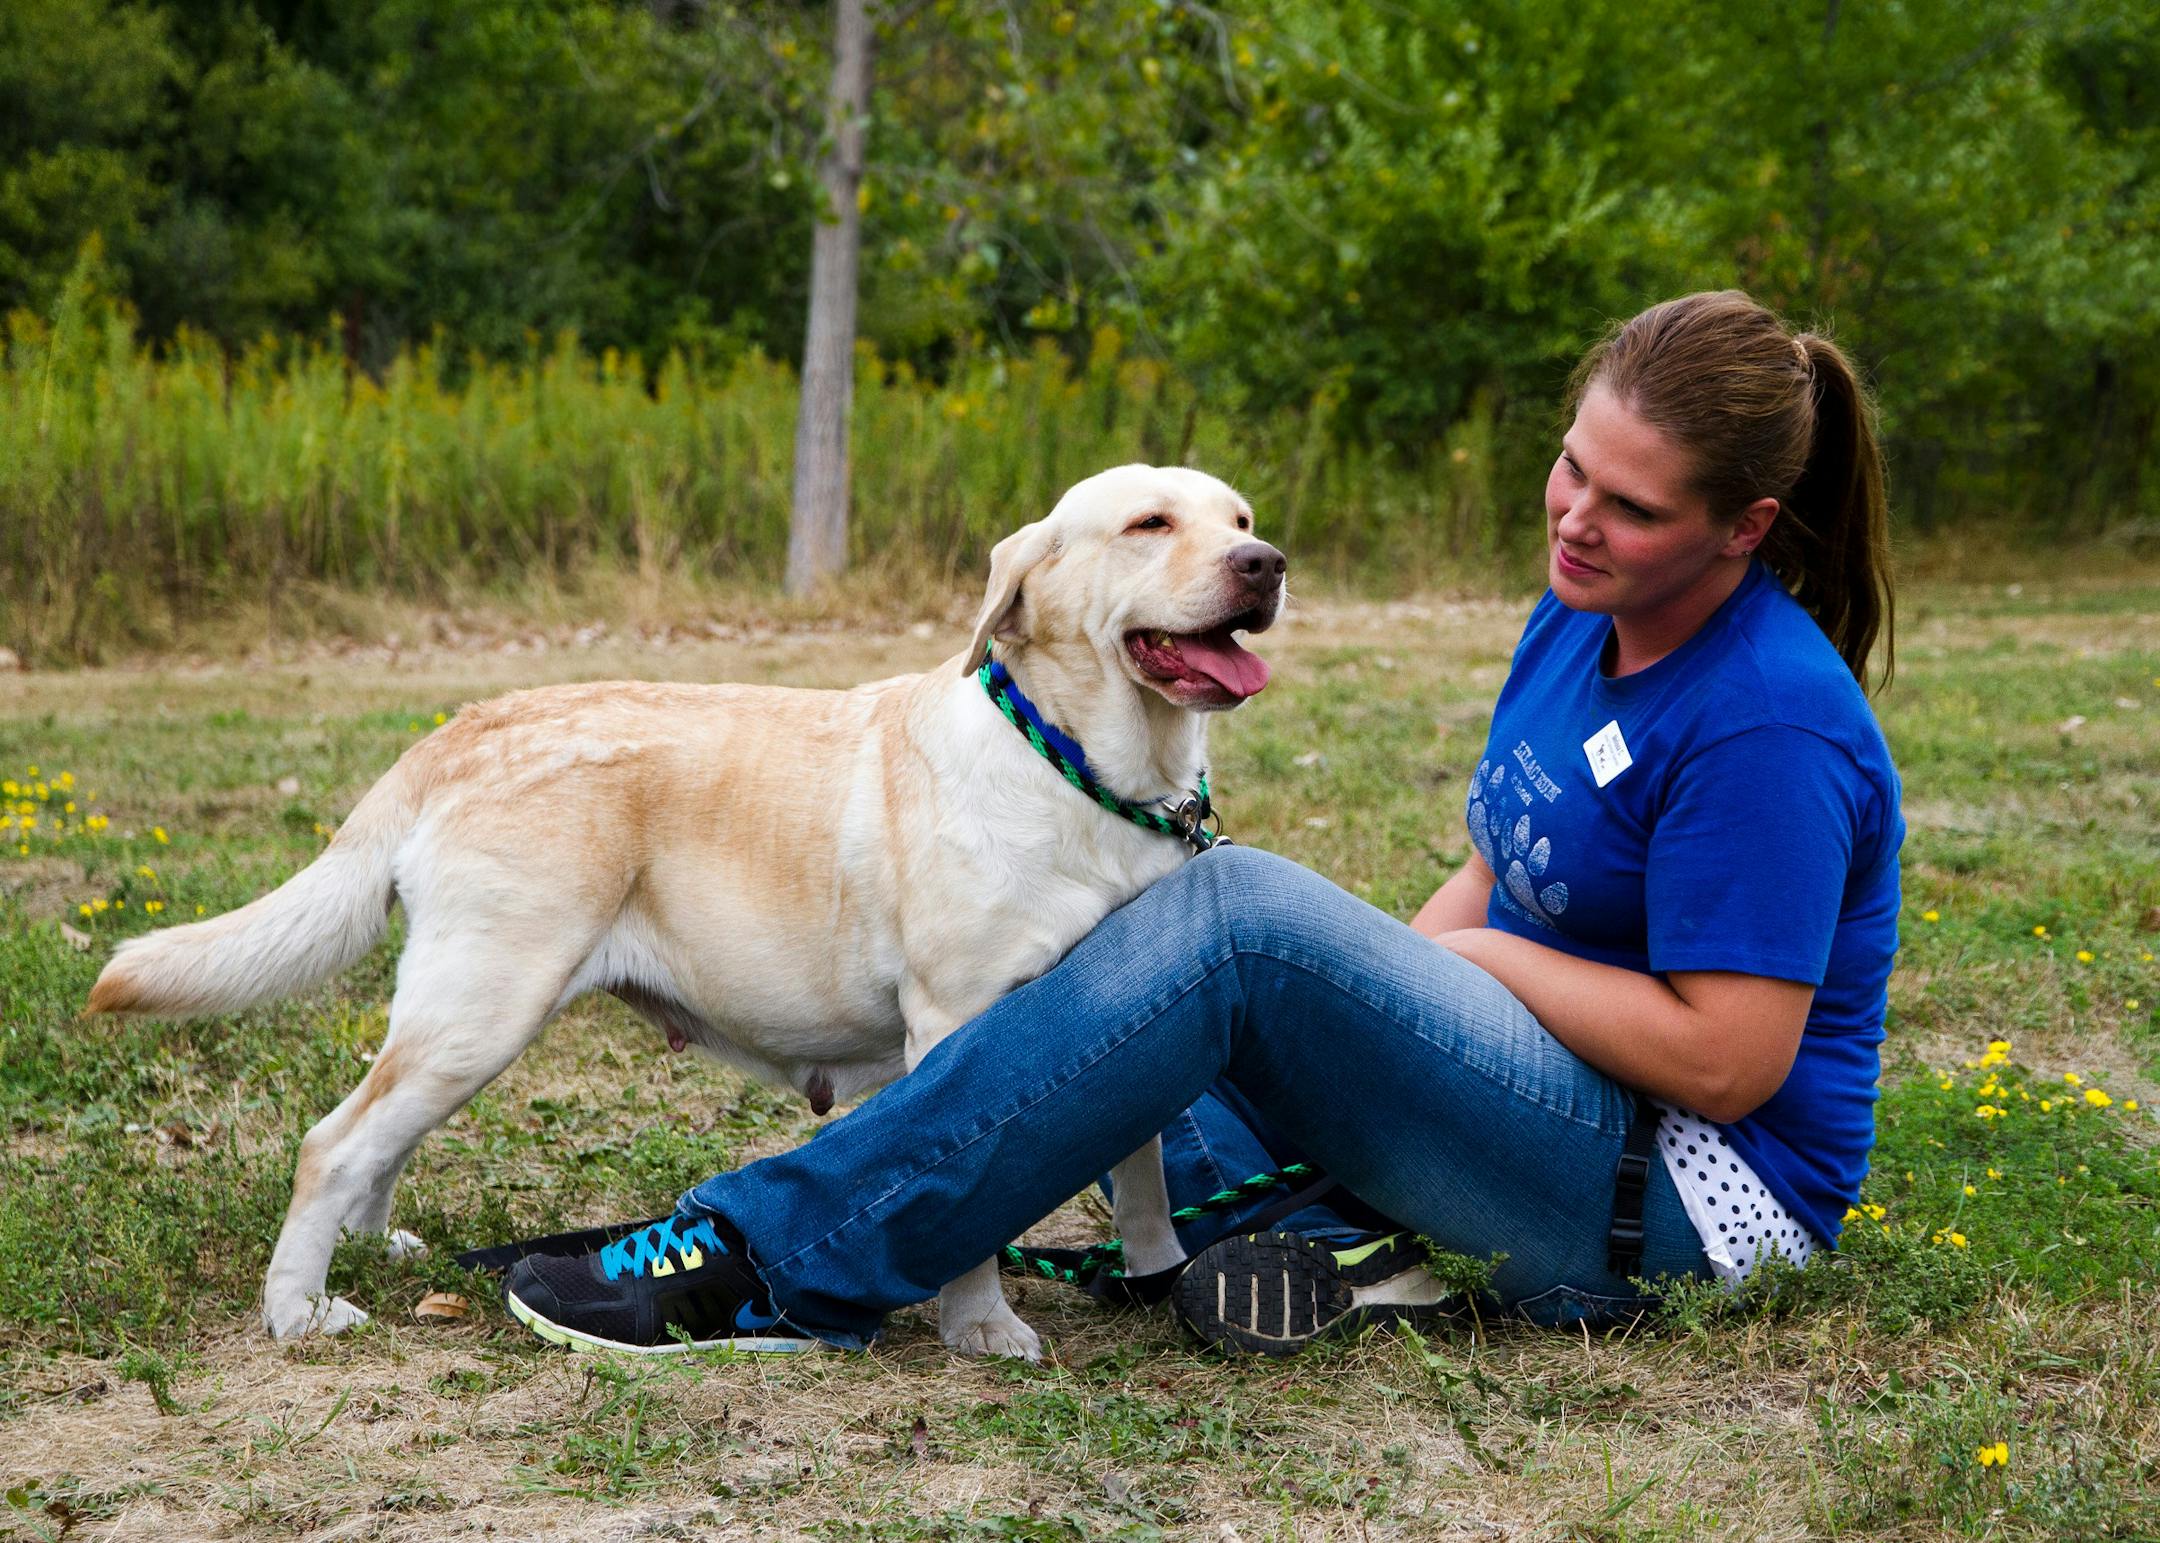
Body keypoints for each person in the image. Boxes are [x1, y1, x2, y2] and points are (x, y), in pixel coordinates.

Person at [500, 290, 1904, 1356]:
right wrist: (1391, 1010)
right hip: (1540, 1096)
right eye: (1572, 467)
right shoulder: (1589, 608)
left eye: (1630, 505)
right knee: (1128, 1008)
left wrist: (1460, 976)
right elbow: (1503, 866)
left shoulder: (1765, 723)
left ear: (1744, 527)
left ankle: (775, 1258)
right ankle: (1345, 1243)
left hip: (1676, 1202)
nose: (1576, 518)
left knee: (1227, 923)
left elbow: (1728, 1063)